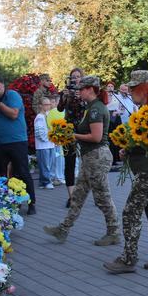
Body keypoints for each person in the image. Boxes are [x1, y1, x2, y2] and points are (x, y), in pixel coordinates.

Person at [43, 76, 120, 246]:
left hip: (97, 157)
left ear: (90, 90)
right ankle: (63, 229)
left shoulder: (96, 109)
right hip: (90, 157)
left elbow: (96, 137)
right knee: (78, 196)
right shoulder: (90, 107)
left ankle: (114, 232)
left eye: (81, 89)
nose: (79, 92)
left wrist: (72, 135)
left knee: (102, 198)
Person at [104, 71, 148, 274]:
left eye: (134, 87)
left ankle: (129, 259)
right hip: (145, 169)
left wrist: (129, 147)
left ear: (145, 89)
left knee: (130, 213)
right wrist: (127, 148)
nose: (130, 91)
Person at [0, 74, 36, 215]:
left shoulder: (12, 95)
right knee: (5, 174)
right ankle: (11, 202)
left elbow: (14, 114)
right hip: (0, 142)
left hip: (17, 141)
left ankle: (31, 202)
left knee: (22, 171)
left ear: (3, 85)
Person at [58, 68, 87, 208]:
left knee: (88, 162)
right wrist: (64, 97)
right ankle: (72, 197)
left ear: (82, 78)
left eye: (78, 76)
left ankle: (94, 192)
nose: (75, 79)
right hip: (68, 130)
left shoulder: (86, 91)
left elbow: (88, 107)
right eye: (73, 77)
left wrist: (80, 97)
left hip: (84, 129)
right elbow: (59, 108)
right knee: (69, 162)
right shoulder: (66, 91)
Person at [34, 97, 56, 189]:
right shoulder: (39, 117)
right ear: (40, 106)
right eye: (46, 104)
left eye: (49, 104)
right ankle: (46, 182)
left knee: (49, 164)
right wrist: (47, 138)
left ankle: (44, 182)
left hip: (50, 144)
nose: (48, 106)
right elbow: (39, 132)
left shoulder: (48, 115)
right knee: (45, 164)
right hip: (43, 145)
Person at [47, 95, 66, 186]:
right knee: (58, 159)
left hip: (57, 138)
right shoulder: (52, 112)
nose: (51, 104)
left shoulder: (56, 112)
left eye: (53, 102)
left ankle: (58, 177)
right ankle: (58, 177)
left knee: (58, 159)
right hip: (57, 138)